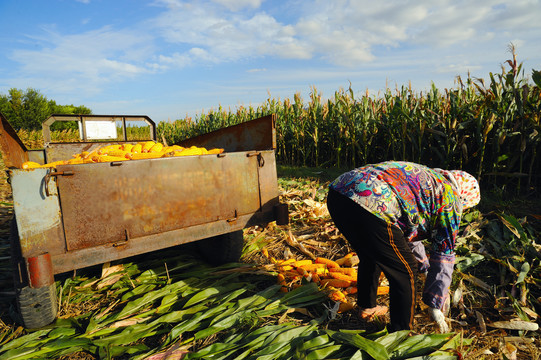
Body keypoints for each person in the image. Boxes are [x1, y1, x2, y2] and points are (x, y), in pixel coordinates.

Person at [326, 161, 480, 332]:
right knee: (405, 271)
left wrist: (426, 268)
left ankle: (367, 308)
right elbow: (444, 255)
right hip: (372, 203)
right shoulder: (451, 198)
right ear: (464, 197)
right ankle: (401, 332)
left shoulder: (431, 181)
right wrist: (435, 304)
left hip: (339, 193)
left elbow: (410, 238)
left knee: (371, 254)